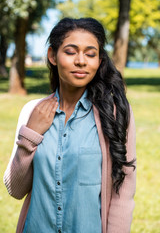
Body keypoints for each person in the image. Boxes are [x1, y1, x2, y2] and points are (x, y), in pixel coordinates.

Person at [3, 18, 136, 233]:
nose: (81, 61)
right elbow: (16, 189)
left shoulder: (114, 113)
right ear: (52, 56)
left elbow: (123, 193)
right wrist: (30, 135)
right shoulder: (32, 111)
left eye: (90, 54)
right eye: (71, 52)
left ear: (100, 60)